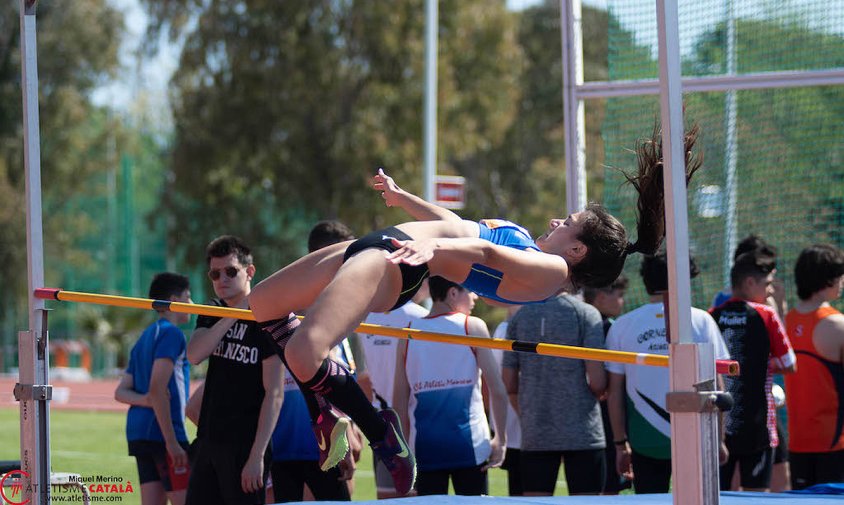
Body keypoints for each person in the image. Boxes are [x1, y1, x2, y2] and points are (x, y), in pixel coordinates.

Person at [247, 123, 703, 495]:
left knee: (306, 351)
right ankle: (326, 408)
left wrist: (432, 249)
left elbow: (484, 253)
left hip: (395, 262)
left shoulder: (549, 270)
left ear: (579, 251)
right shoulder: (532, 245)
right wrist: (405, 197)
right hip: (389, 244)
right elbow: (458, 225)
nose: (556, 221)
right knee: (261, 305)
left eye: (568, 223)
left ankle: (379, 429)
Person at [607, 251, 730, 494]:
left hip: (645, 441)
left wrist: (620, 444)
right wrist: (719, 440)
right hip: (694, 438)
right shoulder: (702, 320)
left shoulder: (623, 325)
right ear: (681, 280)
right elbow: (717, 387)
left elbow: (614, 394)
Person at [186, 236, 284, 505]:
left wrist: (257, 456)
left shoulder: (267, 318)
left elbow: (274, 393)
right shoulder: (212, 311)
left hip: (245, 448)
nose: (222, 279)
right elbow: (195, 354)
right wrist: (237, 312)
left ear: (249, 272)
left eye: (231, 271)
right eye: (215, 274)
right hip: (208, 442)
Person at [269, 220, 359, 503]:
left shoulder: (340, 310)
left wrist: (352, 427)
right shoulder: (298, 312)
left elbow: (340, 379)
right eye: (348, 256)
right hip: (301, 449)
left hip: (321, 447)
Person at [392, 276, 508, 496]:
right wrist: (501, 440)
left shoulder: (407, 333)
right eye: (470, 291)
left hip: (425, 448)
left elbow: (398, 400)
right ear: (453, 293)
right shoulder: (471, 326)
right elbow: (497, 390)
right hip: (471, 446)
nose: (475, 298)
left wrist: (404, 450)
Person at [503, 290, 607, 495]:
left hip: (536, 431)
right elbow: (597, 381)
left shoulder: (521, 315)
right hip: (583, 431)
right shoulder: (586, 312)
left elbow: (508, 381)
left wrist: (529, 414)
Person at [711, 250, 796, 492]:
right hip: (759, 430)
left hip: (721, 430)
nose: (769, 291)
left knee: (720, 494)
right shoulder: (766, 314)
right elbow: (789, 363)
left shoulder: (713, 315)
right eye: (767, 284)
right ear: (750, 282)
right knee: (757, 496)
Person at [115, 272, 193, 505]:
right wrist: (172, 442)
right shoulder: (172, 334)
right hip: (163, 434)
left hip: (139, 433)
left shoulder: (145, 336)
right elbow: (158, 389)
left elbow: (121, 392)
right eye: (188, 297)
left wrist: (147, 400)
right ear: (174, 300)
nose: (192, 303)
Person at [357, 281, 430, 499]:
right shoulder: (421, 318)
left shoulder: (367, 316)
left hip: (380, 422)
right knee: (411, 495)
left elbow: (365, 374)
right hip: (411, 422)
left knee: (387, 495)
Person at [785, 244, 844, 490]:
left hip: (798, 442)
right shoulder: (837, 324)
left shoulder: (786, 321)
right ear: (828, 279)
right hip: (835, 442)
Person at [584, 275, 632, 495]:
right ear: (601, 297)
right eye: (619, 296)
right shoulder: (608, 328)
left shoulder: (583, 322)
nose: (622, 302)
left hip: (586, 418)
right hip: (607, 416)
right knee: (610, 483)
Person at [490, 305, 523, 496]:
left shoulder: (504, 328)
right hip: (520, 431)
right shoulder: (505, 329)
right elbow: (505, 383)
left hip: (517, 431)